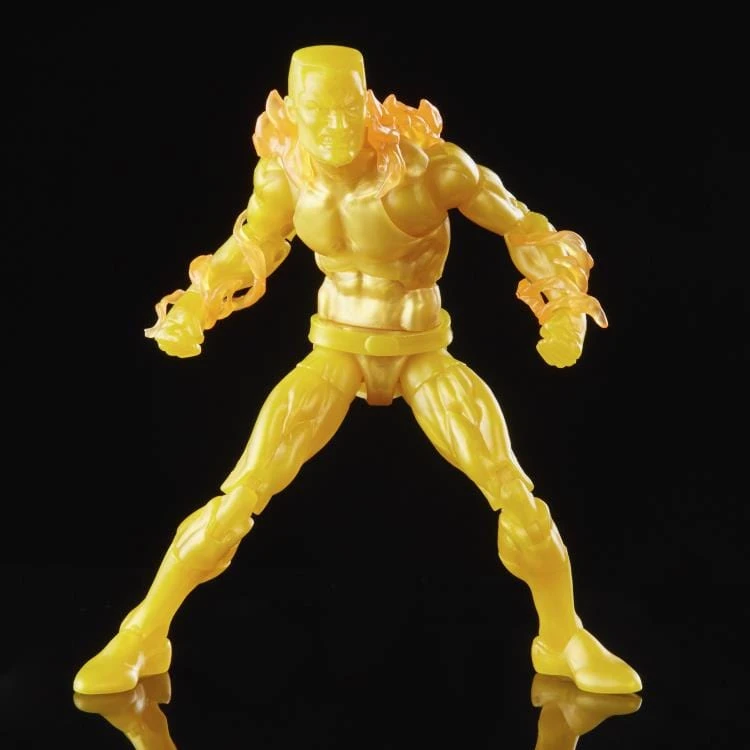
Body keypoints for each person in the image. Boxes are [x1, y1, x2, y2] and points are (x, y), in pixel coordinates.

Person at [74, 44, 641, 696]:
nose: (336, 125)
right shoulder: (286, 177)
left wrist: (564, 310)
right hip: (337, 350)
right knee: (239, 499)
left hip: (421, 350)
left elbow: (527, 228)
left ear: (367, 104)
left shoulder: (431, 172)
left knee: (518, 499)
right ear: (293, 110)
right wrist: (196, 307)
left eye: (348, 107)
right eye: (319, 111)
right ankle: (143, 635)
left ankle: (563, 637)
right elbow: (252, 244)